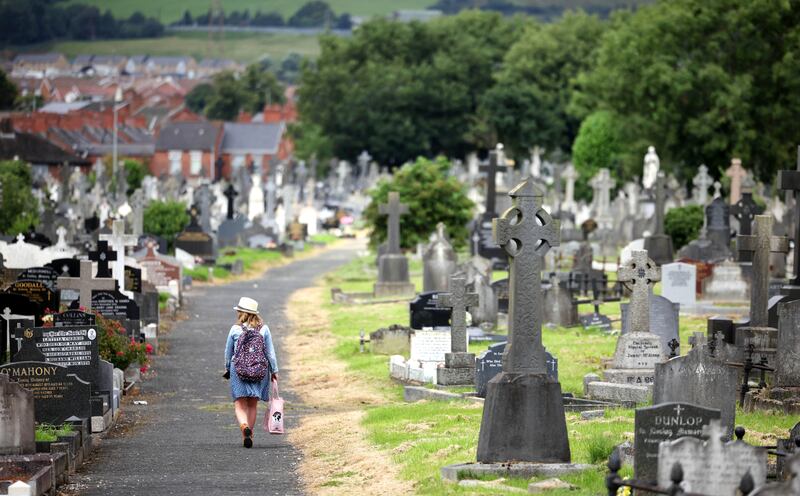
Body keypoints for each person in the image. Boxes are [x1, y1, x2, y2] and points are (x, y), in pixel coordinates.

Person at [224, 297, 278, 448]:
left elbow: (228, 352)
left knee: (240, 404)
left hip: (238, 369)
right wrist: (274, 370)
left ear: (240, 312)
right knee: (252, 405)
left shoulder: (235, 329)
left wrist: (228, 368)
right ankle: (249, 435)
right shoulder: (264, 329)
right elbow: (270, 353)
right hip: (259, 370)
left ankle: (244, 427)